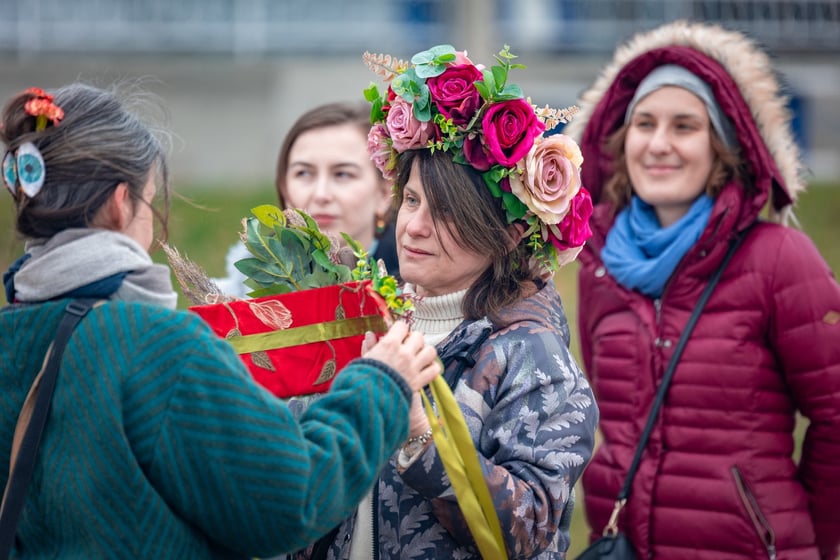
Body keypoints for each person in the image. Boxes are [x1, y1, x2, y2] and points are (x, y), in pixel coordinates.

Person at [0, 83, 442, 558]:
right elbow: (289, 499)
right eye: (151, 200)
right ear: (119, 203)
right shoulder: (156, 345)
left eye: (342, 174)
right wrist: (382, 384)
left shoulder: (13, 334)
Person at [291, 44, 599, 559]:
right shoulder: (373, 319)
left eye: (446, 213)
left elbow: (527, 533)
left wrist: (420, 437)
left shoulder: (533, 358)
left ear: (506, 235)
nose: (412, 227)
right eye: (411, 200)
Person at [564, 20, 840, 559]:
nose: (659, 144)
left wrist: (814, 540)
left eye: (685, 125)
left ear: (723, 146)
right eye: (644, 123)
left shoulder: (779, 259)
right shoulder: (599, 266)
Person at [214, 101, 397, 297]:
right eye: (303, 173)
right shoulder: (240, 297)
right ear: (284, 188)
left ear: (384, 193)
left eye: (343, 174)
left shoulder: (416, 290)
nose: (321, 194)